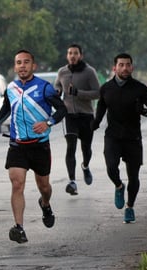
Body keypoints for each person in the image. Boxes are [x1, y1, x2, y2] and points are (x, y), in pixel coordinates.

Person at [0, 49, 67, 244]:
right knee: (17, 184)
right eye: (18, 63)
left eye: (26, 62)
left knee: (44, 187)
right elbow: (6, 109)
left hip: (39, 146)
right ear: (15, 67)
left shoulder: (45, 88)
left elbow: (62, 109)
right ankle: (19, 227)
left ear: (34, 66)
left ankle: (45, 203)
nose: (22, 66)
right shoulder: (11, 88)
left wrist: (47, 123)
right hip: (17, 145)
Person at [91, 53, 147, 223]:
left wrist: (143, 111)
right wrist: (94, 125)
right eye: (121, 65)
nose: (125, 68)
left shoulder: (140, 88)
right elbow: (100, 109)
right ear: (114, 68)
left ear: (132, 67)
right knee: (111, 168)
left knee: (134, 176)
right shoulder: (106, 88)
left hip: (132, 138)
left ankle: (130, 207)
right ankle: (118, 185)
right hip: (113, 137)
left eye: (128, 65)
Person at [55, 44, 100, 195]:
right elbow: (57, 86)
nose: (72, 56)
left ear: (81, 55)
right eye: (69, 53)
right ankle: (72, 182)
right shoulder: (62, 72)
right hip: (69, 116)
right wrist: (57, 91)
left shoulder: (89, 72)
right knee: (71, 147)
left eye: (75, 53)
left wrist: (78, 93)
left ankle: (85, 166)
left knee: (86, 149)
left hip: (86, 116)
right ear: (67, 56)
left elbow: (97, 93)